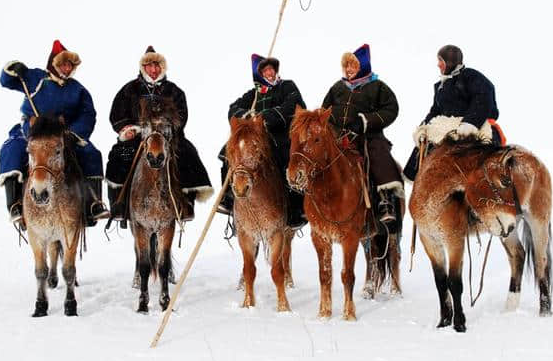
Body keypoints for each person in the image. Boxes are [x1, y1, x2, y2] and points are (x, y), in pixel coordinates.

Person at [0, 40, 109, 228]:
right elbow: (6, 81)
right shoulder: (35, 78)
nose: (66, 68)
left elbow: (88, 114)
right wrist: (12, 68)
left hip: (63, 135)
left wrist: (74, 134)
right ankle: (15, 204)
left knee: (91, 153)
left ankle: (93, 204)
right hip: (32, 132)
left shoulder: (78, 89)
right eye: (63, 64)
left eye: (70, 65)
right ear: (54, 63)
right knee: (11, 150)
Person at [106, 46, 213, 224]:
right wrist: (127, 129)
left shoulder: (174, 90)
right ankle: (119, 203)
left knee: (187, 153)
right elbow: (117, 114)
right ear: (143, 68)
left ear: (163, 67)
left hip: (167, 137)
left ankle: (186, 202)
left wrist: (167, 129)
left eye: (157, 66)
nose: (154, 70)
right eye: (149, 66)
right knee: (118, 155)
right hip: (137, 138)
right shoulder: (129, 89)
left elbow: (181, 116)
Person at [218, 54, 307, 230]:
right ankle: (229, 198)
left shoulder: (287, 86)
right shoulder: (254, 94)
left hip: (280, 135)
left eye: (271, 69)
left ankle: (295, 208)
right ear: (260, 74)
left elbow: (293, 105)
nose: (269, 73)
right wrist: (247, 116)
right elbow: (233, 108)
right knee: (227, 154)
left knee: (285, 161)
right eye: (265, 70)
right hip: (256, 138)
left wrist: (265, 117)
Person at [322, 44, 403, 224]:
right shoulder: (337, 87)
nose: (349, 70)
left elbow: (391, 109)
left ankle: (385, 199)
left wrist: (366, 121)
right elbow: (324, 110)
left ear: (363, 66)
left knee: (379, 153)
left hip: (368, 136)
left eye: (353, 65)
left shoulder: (377, 86)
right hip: (338, 137)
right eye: (347, 66)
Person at [402, 44, 501, 181]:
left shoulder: (471, 76)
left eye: (440, 61)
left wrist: (469, 124)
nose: (438, 65)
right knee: (425, 152)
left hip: (470, 125)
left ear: (449, 62)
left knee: (487, 159)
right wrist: (423, 127)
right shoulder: (440, 86)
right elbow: (435, 111)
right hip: (443, 127)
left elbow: (483, 97)